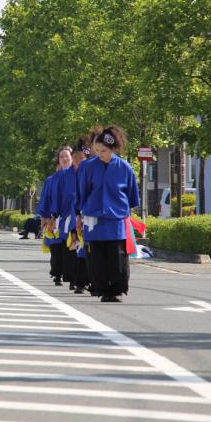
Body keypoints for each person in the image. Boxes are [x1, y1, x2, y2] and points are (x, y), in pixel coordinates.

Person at [77, 126, 140, 303]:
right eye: (96, 151)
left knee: (117, 256)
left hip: (116, 219)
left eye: (103, 151)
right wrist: (79, 215)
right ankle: (102, 289)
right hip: (93, 218)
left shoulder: (125, 168)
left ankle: (117, 290)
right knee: (96, 257)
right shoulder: (88, 167)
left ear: (112, 148)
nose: (100, 154)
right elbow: (82, 193)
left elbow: (132, 195)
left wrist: (125, 212)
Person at [51, 138, 91, 294]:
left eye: (82, 158)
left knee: (86, 249)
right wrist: (53, 216)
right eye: (75, 157)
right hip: (69, 217)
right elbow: (57, 197)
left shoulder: (89, 172)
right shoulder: (63, 175)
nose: (78, 160)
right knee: (72, 248)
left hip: (88, 216)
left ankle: (84, 280)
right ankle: (75, 279)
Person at [39, 148, 72, 286]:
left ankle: (72, 276)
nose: (64, 159)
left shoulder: (77, 176)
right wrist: (45, 218)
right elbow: (46, 199)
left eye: (67, 156)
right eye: (61, 156)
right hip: (55, 218)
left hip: (71, 217)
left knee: (71, 246)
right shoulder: (51, 180)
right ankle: (57, 273)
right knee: (56, 247)